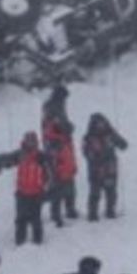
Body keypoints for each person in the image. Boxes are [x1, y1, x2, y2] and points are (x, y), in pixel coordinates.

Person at [42, 86, 79, 227]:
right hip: (56, 148)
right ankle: (56, 212)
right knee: (57, 182)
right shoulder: (52, 108)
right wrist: (67, 128)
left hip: (63, 146)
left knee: (68, 178)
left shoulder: (55, 106)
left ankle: (69, 208)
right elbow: (56, 126)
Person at [82, 112, 128, 221]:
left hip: (110, 168)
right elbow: (86, 153)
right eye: (98, 124)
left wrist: (118, 140)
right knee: (95, 193)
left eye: (102, 123)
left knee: (111, 191)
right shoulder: (88, 138)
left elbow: (123, 145)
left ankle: (110, 211)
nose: (101, 126)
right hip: (95, 169)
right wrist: (94, 158)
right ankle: (92, 214)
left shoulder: (110, 133)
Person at [13, 132, 52, 246]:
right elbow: (6, 160)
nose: (30, 144)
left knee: (36, 219)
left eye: (33, 141)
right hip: (21, 193)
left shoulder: (41, 157)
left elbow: (49, 175)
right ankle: (20, 240)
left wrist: (44, 189)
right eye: (28, 141)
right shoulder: (19, 155)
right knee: (21, 219)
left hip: (36, 194)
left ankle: (38, 240)